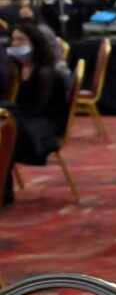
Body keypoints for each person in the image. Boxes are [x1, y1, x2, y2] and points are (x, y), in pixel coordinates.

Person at [0, 21, 71, 205]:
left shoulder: (47, 72)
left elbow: (38, 109)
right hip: (25, 120)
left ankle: (4, 192)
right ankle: (4, 191)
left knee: (4, 127)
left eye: (21, 40)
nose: (15, 44)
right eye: (13, 39)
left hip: (43, 128)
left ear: (34, 43)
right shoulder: (16, 68)